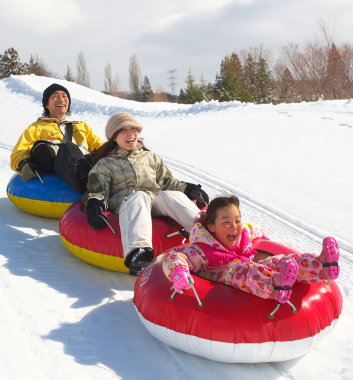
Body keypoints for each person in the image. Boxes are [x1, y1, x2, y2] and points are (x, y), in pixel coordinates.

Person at [83, 112, 209, 275]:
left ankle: (209, 236)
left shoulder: (151, 157)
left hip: (153, 202)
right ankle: (139, 253)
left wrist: (189, 189)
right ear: (114, 137)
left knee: (170, 196)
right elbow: (97, 190)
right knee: (139, 196)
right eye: (123, 130)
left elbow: (168, 182)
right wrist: (95, 205)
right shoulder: (106, 163)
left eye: (134, 128)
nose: (130, 134)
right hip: (127, 205)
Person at [163, 195, 340, 304]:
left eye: (237, 220)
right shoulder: (201, 250)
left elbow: (253, 229)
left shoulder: (242, 232)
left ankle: (320, 267)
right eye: (226, 222)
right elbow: (177, 256)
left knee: (279, 260)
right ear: (211, 227)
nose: (234, 227)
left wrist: (262, 236)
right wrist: (178, 271)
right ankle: (274, 286)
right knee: (240, 271)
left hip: (252, 265)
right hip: (227, 276)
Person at [10, 83, 104, 194]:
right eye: (55, 96)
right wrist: (23, 164)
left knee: (100, 154)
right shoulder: (36, 128)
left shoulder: (81, 126)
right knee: (67, 147)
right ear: (46, 105)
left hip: (82, 162)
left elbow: (99, 145)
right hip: (52, 164)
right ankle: (91, 191)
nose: (61, 99)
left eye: (64, 96)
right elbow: (19, 151)